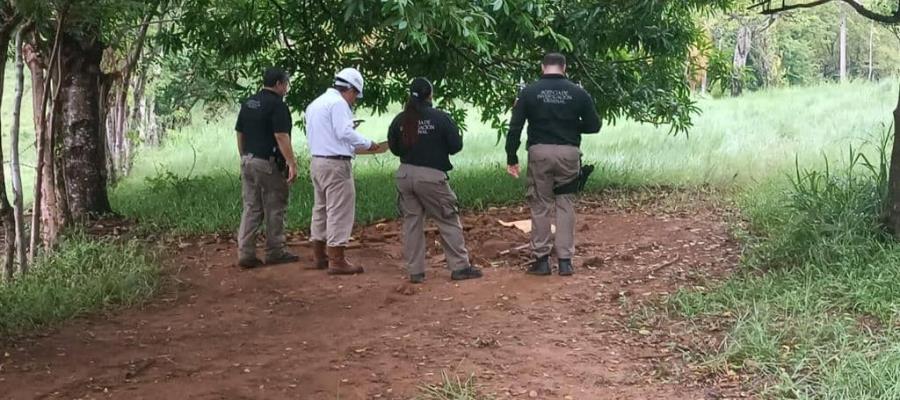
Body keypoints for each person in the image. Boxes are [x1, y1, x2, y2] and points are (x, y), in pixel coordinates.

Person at [505, 53, 602, 277]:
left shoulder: (528, 92)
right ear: (564, 68)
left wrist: (512, 157)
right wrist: (571, 128)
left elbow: (515, 128)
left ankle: (541, 261)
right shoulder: (578, 93)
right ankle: (565, 261)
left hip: (539, 152)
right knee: (565, 203)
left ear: (542, 67)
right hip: (569, 153)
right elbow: (594, 125)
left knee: (540, 204)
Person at [387, 78, 483, 284]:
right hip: (431, 177)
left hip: (404, 174)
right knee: (447, 218)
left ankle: (415, 272)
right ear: (430, 95)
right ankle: (460, 266)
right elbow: (455, 146)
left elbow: (395, 148)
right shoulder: (441, 118)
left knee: (412, 223)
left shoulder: (401, 119)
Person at [304, 67, 381, 275]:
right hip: (336, 164)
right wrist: (368, 143)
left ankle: (319, 255)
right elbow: (344, 131)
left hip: (318, 161)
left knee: (320, 208)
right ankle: (337, 259)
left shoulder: (315, 104)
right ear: (350, 90)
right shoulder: (339, 104)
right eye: (355, 95)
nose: (354, 100)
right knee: (339, 210)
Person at [235, 67, 300, 268]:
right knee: (275, 206)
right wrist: (291, 162)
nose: (286, 89)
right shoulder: (277, 106)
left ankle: (245, 253)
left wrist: (244, 155)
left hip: (248, 159)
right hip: (268, 163)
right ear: (279, 84)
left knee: (251, 207)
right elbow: (281, 136)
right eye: (286, 84)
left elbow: (239, 132)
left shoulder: (249, 102)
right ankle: (275, 250)